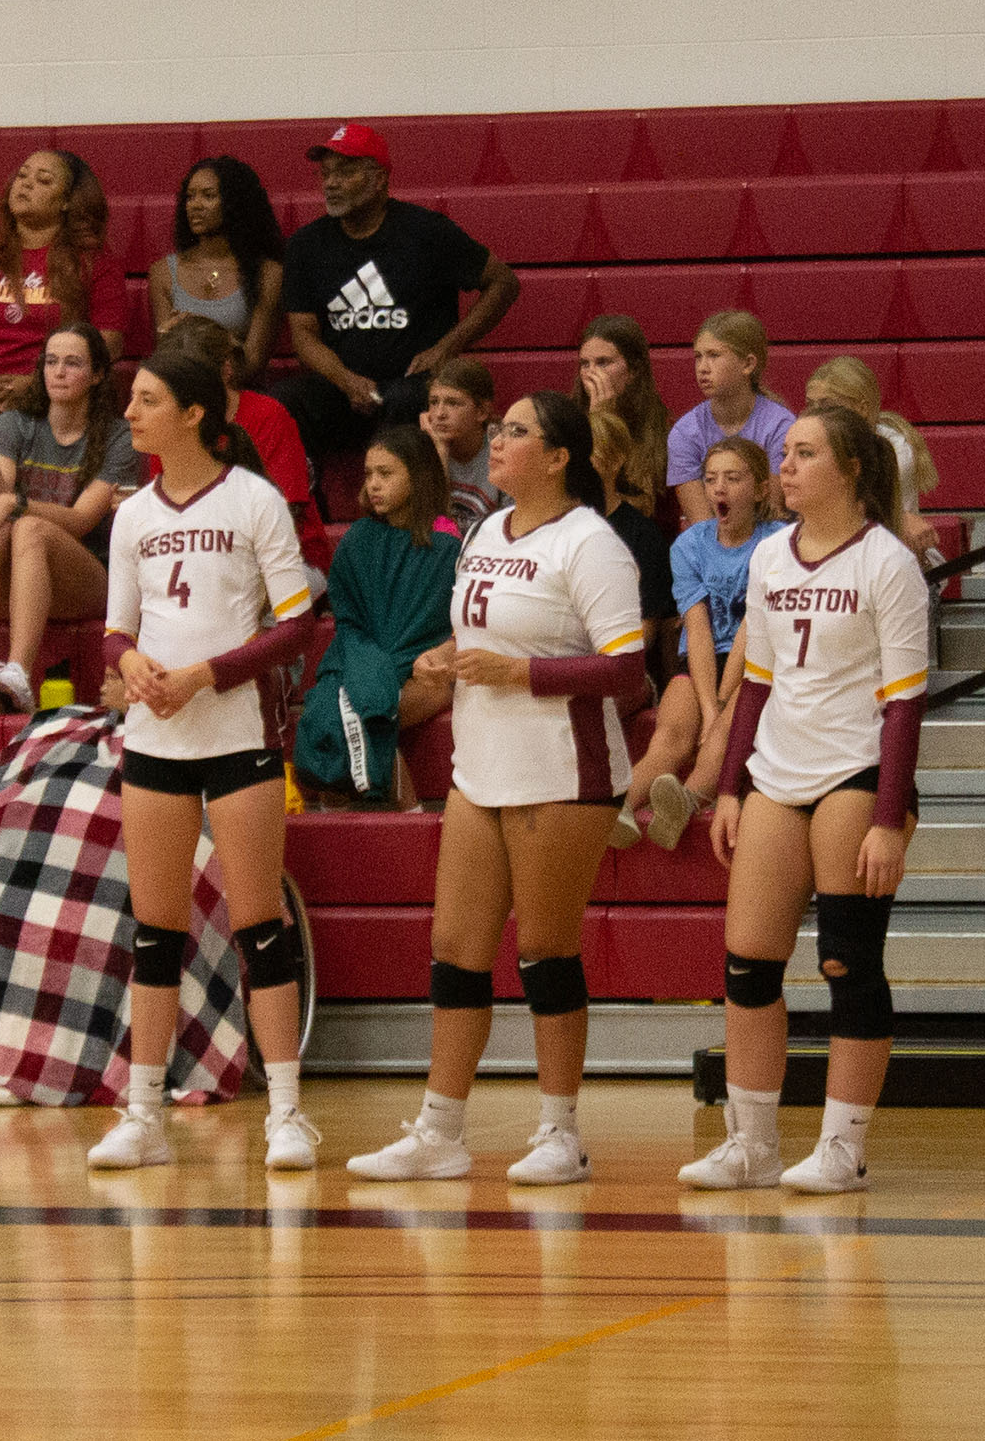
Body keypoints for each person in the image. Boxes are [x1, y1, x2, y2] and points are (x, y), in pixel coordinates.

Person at [345, 393, 648, 1187]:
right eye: (503, 428)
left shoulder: (591, 542)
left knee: (545, 951)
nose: (501, 441)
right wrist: (443, 656)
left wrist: (520, 673)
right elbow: (482, 630)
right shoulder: (483, 530)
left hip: (562, 769)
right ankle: (440, 1130)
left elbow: (626, 670)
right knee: (455, 951)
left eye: (518, 431)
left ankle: (561, 1131)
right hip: (481, 765)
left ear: (558, 457)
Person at [681, 406, 930, 1195]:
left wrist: (890, 818)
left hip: (857, 771)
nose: (785, 466)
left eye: (805, 453)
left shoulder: (887, 562)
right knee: (748, 965)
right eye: (785, 453)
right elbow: (756, 683)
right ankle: (751, 1142)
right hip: (775, 774)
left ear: (851, 469)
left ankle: (842, 1146)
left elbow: (904, 705)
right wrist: (729, 788)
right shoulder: (770, 560)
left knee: (846, 963)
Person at [89, 348, 320, 1172]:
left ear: (193, 413)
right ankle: (142, 1111)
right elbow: (116, 626)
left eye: (146, 400)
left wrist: (204, 674)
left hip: (237, 738)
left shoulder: (255, 501)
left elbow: (295, 624)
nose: (129, 414)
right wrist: (130, 663)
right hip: (155, 742)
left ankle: (287, 1112)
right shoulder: (132, 515)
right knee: (156, 931)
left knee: (259, 924)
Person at [275, 123, 519, 477]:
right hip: (342, 387)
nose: (331, 183)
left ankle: (398, 506)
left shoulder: (426, 232)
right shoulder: (306, 245)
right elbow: (303, 335)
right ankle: (300, 501)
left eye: (345, 172)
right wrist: (347, 380)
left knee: (410, 399)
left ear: (378, 179)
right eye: (326, 174)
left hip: (411, 386)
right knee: (285, 400)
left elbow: (503, 283)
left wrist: (447, 347)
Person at [0, 325, 140, 714]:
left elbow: (79, 520)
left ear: (97, 375)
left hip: (86, 577)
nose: (58, 372)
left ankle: (19, 672)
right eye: (51, 362)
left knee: (27, 524)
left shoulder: (117, 435)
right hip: (20, 576)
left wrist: (15, 503)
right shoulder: (15, 422)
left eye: (73, 363)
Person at [0, 149, 128, 526]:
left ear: (67, 202)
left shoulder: (93, 261)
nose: (26, 184)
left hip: (56, 387)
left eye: (43, 181)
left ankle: (13, 526)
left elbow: (108, 342)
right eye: (23, 176)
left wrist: (35, 384)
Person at [616, 437, 786, 851]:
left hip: (756, 659)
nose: (719, 488)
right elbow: (699, 626)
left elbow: (751, 627)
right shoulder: (690, 545)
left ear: (762, 488)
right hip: (702, 655)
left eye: (733, 478)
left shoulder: (778, 540)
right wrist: (708, 705)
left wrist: (723, 704)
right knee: (671, 732)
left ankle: (686, 800)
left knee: (725, 730)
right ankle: (621, 808)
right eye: (711, 480)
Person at [294, 426, 463, 807]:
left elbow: (447, 622)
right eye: (369, 474)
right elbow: (349, 619)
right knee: (334, 713)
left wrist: (410, 661)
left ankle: (410, 821)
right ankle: (342, 824)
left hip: (424, 668)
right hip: (357, 657)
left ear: (417, 476)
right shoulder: (357, 539)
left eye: (386, 474)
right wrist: (371, 668)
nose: (373, 484)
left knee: (370, 715)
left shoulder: (447, 543)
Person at [155, 316, 331, 578]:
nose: (186, 390)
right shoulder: (167, 423)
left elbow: (286, 516)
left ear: (226, 370)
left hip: (288, 559)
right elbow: (165, 514)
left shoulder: (268, 415)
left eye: (196, 379)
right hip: (198, 557)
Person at [147, 156, 287, 379]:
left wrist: (199, 331)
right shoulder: (163, 272)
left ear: (235, 203)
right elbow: (167, 359)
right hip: (184, 392)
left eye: (209, 196)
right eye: (190, 197)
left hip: (239, 392)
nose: (195, 205)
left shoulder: (268, 273)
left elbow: (253, 362)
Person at [805, 355, 943, 561]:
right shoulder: (808, 445)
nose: (817, 414)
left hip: (896, 549)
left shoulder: (894, 448)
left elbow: (853, 516)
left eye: (827, 405)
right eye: (810, 405)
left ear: (861, 408)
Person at [667, 311, 794, 526]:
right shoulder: (684, 433)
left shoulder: (781, 426)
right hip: (713, 548)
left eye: (714, 355)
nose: (703, 368)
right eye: (698, 357)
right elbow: (702, 527)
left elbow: (772, 515)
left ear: (748, 364)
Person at [589, 408, 678, 685]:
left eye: (586, 454)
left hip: (619, 669)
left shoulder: (642, 535)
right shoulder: (551, 527)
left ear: (614, 460)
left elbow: (647, 629)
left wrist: (591, 666)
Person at [578, 315, 672, 515]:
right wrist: (598, 421)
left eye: (603, 363)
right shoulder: (568, 425)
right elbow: (582, 501)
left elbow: (642, 509)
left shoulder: (663, 432)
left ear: (633, 370)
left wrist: (604, 420)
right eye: (585, 364)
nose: (591, 373)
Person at [421, 355, 502, 523]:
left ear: (482, 412)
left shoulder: (504, 452)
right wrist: (440, 452)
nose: (439, 414)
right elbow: (427, 528)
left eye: (453, 403)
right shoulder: (421, 450)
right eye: (434, 402)